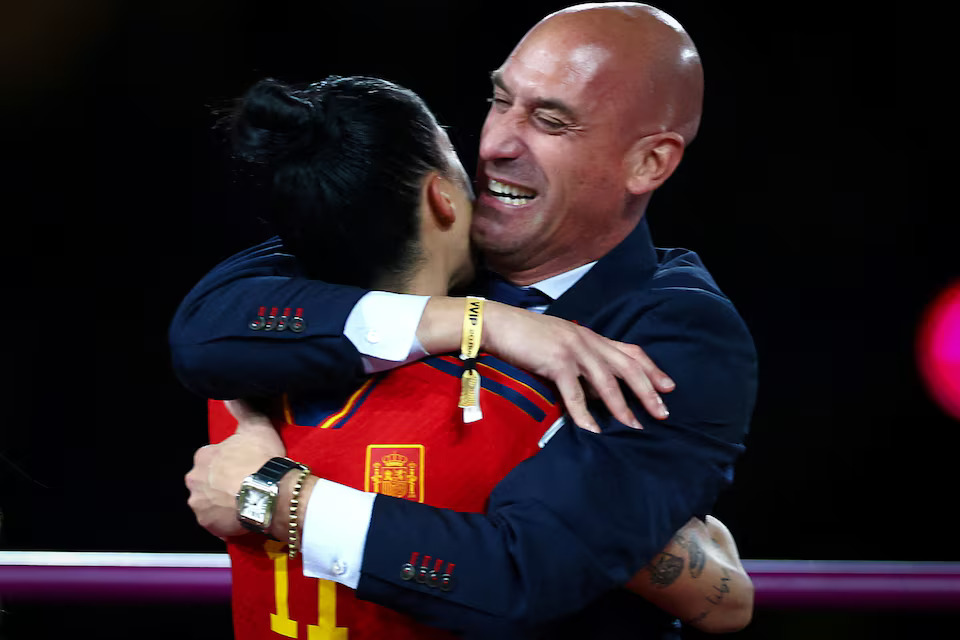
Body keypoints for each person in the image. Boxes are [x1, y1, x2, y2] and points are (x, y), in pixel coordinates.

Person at [176, 2, 757, 637]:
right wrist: (471, 320)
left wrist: (278, 500)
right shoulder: (422, 235)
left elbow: (523, 574)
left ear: (649, 163)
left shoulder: (680, 334)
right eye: (500, 100)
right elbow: (206, 326)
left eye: (550, 122)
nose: (497, 144)